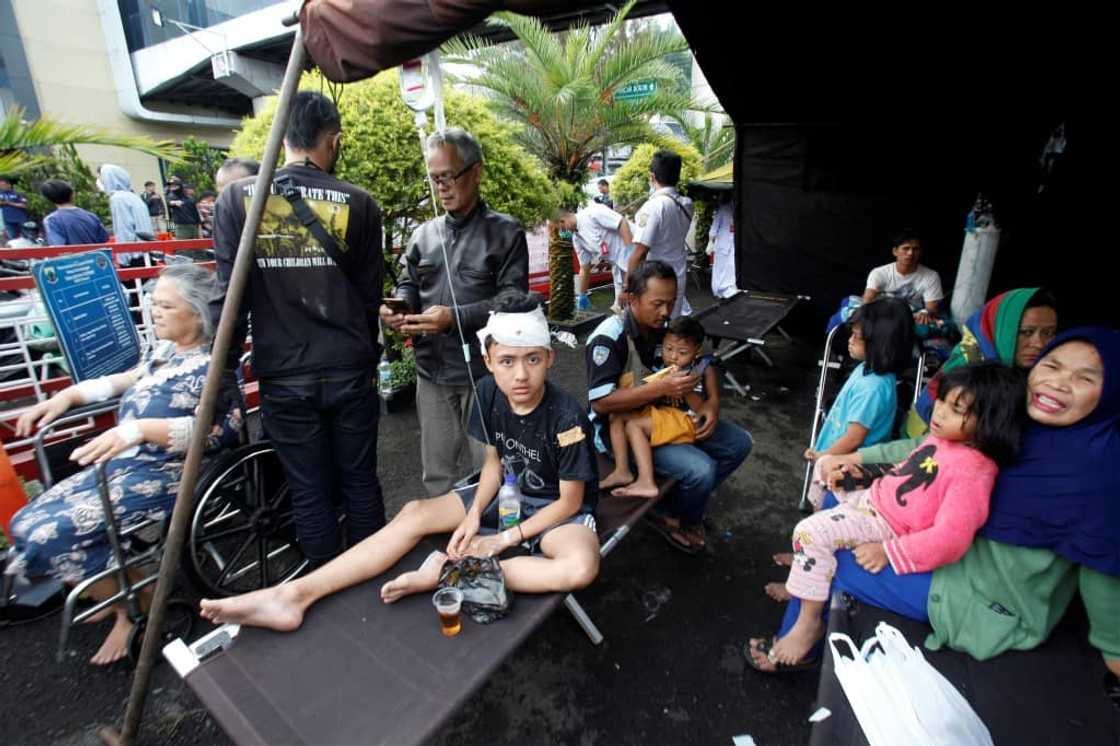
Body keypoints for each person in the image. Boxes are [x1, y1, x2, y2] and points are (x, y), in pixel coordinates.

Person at [198, 294, 601, 631]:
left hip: (551, 508)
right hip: (507, 493)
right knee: (413, 512)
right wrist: (475, 514)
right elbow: (494, 464)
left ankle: (447, 573)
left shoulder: (566, 418)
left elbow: (568, 502)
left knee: (580, 568)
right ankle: (294, 594)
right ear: (488, 359)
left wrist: (502, 540)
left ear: (549, 359)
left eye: (532, 360)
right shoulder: (487, 393)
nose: (520, 375)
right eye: (508, 361)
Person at [751, 329, 1119, 679]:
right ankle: (804, 584)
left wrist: (1114, 650)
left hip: (977, 595)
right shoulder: (1014, 419)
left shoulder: (1096, 472)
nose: (1057, 382)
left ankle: (801, 637)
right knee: (831, 495)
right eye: (1051, 365)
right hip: (937, 546)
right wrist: (854, 458)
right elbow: (925, 449)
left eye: (1085, 378)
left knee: (831, 557)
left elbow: (1103, 564)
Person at [4, 264, 240, 664]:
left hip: (171, 476)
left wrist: (142, 430)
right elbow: (129, 379)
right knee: (23, 524)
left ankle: (137, 603)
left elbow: (221, 434)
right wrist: (68, 396)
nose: (154, 312)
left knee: (47, 534)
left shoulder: (213, 367)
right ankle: (117, 592)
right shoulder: (164, 351)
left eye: (166, 305)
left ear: (199, 313)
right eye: (152, 304)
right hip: (124, 467)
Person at [211, 90, 387, 567]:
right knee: (359, 480)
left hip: (284, 373)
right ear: (332, 140)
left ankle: (326, 593)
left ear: (283, 138)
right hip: (349, 366)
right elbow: (370, 298)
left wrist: (223, 381)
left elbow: (231, 301)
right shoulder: (361, 203)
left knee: (308, 492)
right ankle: (373, 580)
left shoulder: (235, 200)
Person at [765, 363, 1026, 667]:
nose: (938, 413)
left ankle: (809, 620)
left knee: (809, 533)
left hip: (884, 524)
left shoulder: (974, 471)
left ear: (991, 421)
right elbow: (908, 474)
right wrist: (857, 475)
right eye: (941, 401)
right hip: (871, 500)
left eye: (956, 410)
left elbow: (951, 538)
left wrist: (889, 551)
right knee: (826, 470)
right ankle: (809, 569)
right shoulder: (944, 439)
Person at [381, 127, 529, 496]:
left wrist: (455, 317)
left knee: (492, 473)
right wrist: (400, 309)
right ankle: (447, 546)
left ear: (475, 172)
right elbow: (409, 283)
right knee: (437, 476)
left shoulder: (505, 231)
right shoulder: (423, 235)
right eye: (434, 179)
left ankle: (492, 546)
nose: (441, 187)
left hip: (486, 374)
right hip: (432, 371)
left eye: (448, 176)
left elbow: (513, 298)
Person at [586, 261, 751, 553]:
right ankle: (678, 517)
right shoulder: (608, 338)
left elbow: (707, 360)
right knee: (701, 470)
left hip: (666, 415)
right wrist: (660, 388)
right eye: (658, 303)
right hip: (622, 431)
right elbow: (600, 403)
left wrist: (712, 404)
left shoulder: (667, 328)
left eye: (671, 303)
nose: (665, 312)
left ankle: (670, 508)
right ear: (632, 299)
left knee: (739, 443)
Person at [905, 287, 1058, 436]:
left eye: (1048, 333)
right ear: (1000, 330)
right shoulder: (968, 373)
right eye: (1026, 332)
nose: (1039, 343)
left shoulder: (1045, 378)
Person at [598, 315, 713, 499]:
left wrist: (684, 389)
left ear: (696, 352)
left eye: (682, 353)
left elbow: (700, 409)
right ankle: (622, 470)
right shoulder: (661, 362)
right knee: (616, 417)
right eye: (668, 349)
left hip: (686, 419)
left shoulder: (694, 372)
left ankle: (646, 482)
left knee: (634, 426)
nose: (673, 357)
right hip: (662, 414)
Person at [627, 151, 694, 318]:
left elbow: (640, 252)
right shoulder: (686, 204)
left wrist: (627, 288)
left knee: (653, 326)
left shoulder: (654, 207)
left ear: (652, 177)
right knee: (670, 321)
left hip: (655, 280)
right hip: (678, 275)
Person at [561, 201, 633, 313]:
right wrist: (582, 294)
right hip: (619, 265)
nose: (562, 232)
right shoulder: (577, 238)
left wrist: (631, 251)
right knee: (622, 307)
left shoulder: (592, 213)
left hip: (636, 253)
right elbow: (584, 268)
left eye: (561, 228)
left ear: (563, 219)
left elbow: (622, 223)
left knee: (641, 295)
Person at [862, 229, 943, 322]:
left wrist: (925, 312)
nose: (910, 253)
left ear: (920, 252)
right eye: (906, 248)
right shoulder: (879, 273)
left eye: (915, 249)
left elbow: (932, 308)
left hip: (913, 317)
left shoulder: (931, 276)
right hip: (882, 314)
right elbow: (867, 300)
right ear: (895, 251)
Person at [97, 164, 153, 267]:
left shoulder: (118, 199)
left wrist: (123, 260)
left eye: (102, 178)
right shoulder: (132, 196)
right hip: (145, 252)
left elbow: (124, 230)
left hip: (134, 255)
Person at [39, 179, 110, 246]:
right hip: (97, 257)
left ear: (49, 199)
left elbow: (58, 246)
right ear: (72, 194)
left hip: (73, 258)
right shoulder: (90, 216)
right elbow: (104, 238)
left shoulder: (51, 220)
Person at [708, 193, 738, 299]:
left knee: (730, 267)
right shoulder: (723, 210)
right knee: (720, 268)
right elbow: (714, 228)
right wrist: (710, 242)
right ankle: (718, 290)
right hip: (722, 244)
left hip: (732, 244)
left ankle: (728, 289)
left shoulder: (737, 210)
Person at [0, 176, 30, 242]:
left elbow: (24, 205)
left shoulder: (19, 193)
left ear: (9, 184)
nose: (1, 187)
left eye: (3, 185)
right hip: (8, 221)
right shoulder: (0, 194)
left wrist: (9, 203)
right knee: (13, 241)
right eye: (0, 186)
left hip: (21, 219)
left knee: (27, 238)